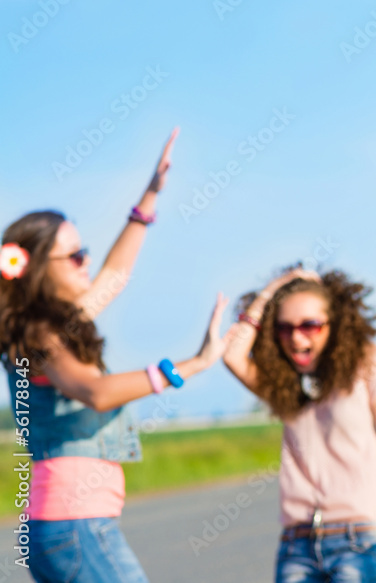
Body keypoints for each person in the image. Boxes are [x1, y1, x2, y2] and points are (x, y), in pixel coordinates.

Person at [0, 129, 232, 583]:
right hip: (73, 522)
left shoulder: (57, 324)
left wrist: (149, 196)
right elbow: (96, 392)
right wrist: (190, 365)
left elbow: (116, 274)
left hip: (73, 522)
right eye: (75, 256)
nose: (87, 261)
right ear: (40, 268)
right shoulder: (38, 333)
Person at [223, 268, 376, 583]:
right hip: (298, 542)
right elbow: (232, 354)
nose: (297, 338)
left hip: (363, 537)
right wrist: (272, 291)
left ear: (335, 324)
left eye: (310, 325)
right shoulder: (286, 383)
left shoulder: (370, 366)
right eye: (284, 327)